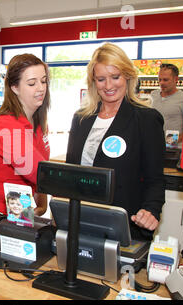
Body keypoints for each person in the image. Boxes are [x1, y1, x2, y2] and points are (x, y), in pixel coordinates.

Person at [66, 43, 166, 241]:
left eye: (115, 77)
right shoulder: (81, 118)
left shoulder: (146, 119)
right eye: (101, 79)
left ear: (127, 76)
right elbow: (71, 171)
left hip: (124, 223)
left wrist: (151, 209)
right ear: (93, 82)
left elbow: (155, 178)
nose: (109, 86)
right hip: (81, 220)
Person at [0, 54, 51, 218]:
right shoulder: (5, 125)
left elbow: (42, 166)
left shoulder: (39, 123)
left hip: (17, 210)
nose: (41, 88)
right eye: (32, 83)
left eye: (43, 81)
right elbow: (38, 172)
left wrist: (41, 205)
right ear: (14, 87)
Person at [151, 63, 183, 143]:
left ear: (176, 79)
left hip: (174, 150)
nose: (161, 83)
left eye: (165, 80)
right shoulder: (153, 95)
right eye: (159, 79)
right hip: (153, 145)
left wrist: (169, 141)